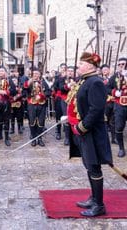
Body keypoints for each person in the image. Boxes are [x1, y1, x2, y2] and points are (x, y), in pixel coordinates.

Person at [67, 52, 112, 217]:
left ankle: (99, 205)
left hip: (92, 132)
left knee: (94, 167)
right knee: (89, 165)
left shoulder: (95, 83)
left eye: (81, 64)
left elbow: (96, 109)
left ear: (90, 66)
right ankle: (93, 198)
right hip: (85, 132)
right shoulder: (85, 80)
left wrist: (82, 127)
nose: (78, 66)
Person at [24, 67, 50, 147]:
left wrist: (42, 96)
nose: (35, 75)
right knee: (32, 122)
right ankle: (33, 138)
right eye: (34, 74)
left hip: (41, 105)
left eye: (37, 73)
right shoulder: (29, 82)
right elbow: (25, 89)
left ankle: (40, 138)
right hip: (31, 104)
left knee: (41, 122)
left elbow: (49, 92)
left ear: (39, 74)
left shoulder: (43, 82)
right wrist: (28, 83)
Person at [107, 57, 127, 157]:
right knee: (119, 126)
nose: (121, 66)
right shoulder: (115, 76)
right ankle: (121, 148)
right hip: (120, 105)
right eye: (119, 64)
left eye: (123, 64)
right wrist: (114, 92)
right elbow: (107, 88)